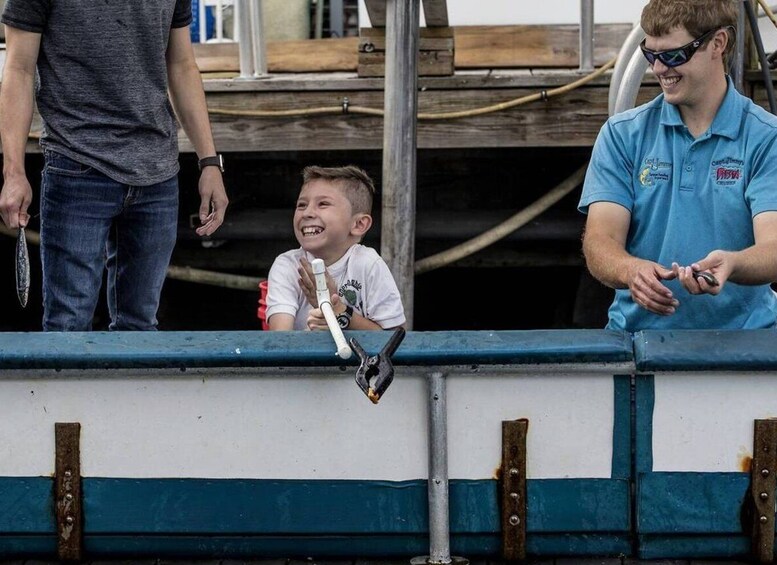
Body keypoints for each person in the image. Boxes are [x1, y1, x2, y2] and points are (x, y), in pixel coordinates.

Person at [0, 0, 229, 331]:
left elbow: (181, 65)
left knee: (140, 327)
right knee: (67, 326)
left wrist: (209, 162)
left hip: (158, 173)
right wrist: (13, 172)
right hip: (76, 165)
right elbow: (18, 69)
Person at [578, 0, 777, 331]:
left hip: (746, 349)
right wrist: (630, 271)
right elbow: (600, 240)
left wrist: (733, 265)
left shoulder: (767, 138)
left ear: (718, 44)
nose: (658, 68)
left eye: (673, 55)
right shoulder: (621, 134)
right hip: (636, 344)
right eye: (650, 55)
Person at [266, 165, 405, 331]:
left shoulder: (369, 264)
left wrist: (339, 311)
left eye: (323, 204)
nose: (307, 213)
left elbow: (394, 337)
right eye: (301, 205)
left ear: (359, 224)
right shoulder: (286, 265)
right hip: (302, 357)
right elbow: (281, 340)